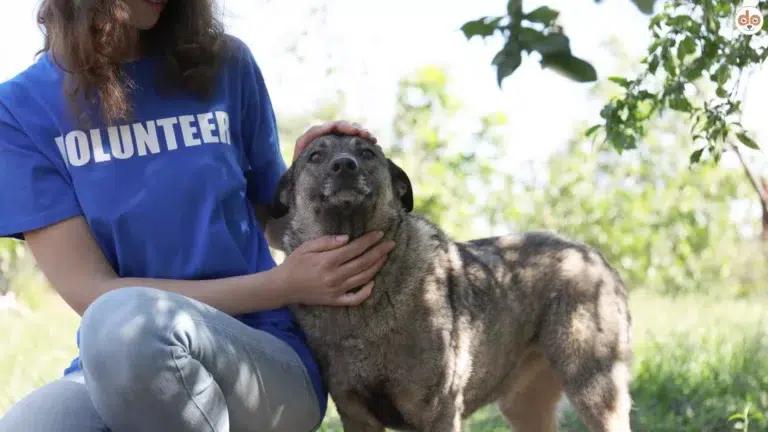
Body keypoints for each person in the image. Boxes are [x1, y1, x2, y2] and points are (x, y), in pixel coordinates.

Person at [0, 0, 396, 431]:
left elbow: (276, 222)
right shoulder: (19, 110)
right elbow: (91, 292)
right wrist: (282, 283)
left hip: (263, 351)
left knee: (124, 326)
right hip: (124, 356)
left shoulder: (226, 64)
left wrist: (312, 174)